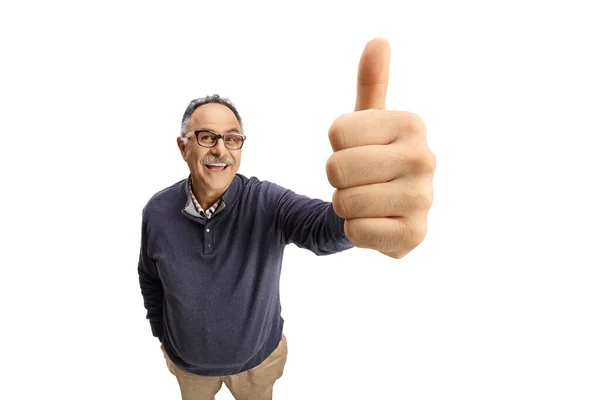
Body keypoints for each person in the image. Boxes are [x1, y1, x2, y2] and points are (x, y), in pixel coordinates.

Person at [138, 38, 436, 400]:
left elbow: (322, 229)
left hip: (258, 364)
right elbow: (150, 277)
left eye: (232, 139)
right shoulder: (157, 211)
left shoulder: (266, 201)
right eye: (206, 137)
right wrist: (163, 335)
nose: (220, 149)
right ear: (183, 146)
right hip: (188, 368)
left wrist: (359, 206)